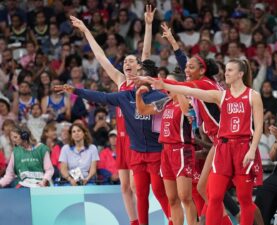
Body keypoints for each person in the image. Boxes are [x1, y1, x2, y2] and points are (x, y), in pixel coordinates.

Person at [145, 58, 264, 225]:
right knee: (213, 196)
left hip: (244, 147)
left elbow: (258, 126)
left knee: (245, 200)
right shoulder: (220, 95)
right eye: (226, 69)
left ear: (240, 74)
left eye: (230, 70)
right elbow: (190, 89)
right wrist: (163, 84)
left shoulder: (253, 95)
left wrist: (252, 151)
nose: (226, 73)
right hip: (223, 147)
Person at [54, 59, 172, 225]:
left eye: (142, 75)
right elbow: (101, 96)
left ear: (150, 78)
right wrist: (75, 90)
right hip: (137, 154)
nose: (136, 78)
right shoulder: (125, 96)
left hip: (156, 152)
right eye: (137, 75)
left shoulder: (161, 97)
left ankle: (174, 221)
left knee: (160, 192)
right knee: (140, 193)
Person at [70, 6, 158, 224]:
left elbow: (146, 53)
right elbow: (100, 56)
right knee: (125, 187)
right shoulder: (120, 80)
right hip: (121, 137)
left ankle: (146, 219)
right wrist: (86, 31)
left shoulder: (143, 79)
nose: (127, 63)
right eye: (125, 61)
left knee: (139, 187)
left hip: (137, 137)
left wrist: (148, 26)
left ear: (139, 67)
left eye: (132, 61)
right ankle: (134, 221)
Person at [136, 74, 197, 225]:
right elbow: (143, 111)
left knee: (185, 197)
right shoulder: (165, 102)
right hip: (166, 151)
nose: (166, 87)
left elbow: (185, 110)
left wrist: (177, 87)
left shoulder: (188, 101)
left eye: (169, 83)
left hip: (182, 150)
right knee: (172, 198)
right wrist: (138, 95)